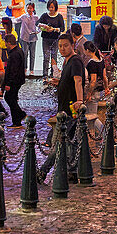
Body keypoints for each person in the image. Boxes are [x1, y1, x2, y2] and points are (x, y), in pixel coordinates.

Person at [39, 33, 85, 179]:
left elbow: (78, 81)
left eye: (66, 45)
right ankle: (72, 171)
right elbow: (70, 81)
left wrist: (80, 101)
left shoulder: (75, 61)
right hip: (64, 108)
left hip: (71, 109)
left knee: (58, 142)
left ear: (72, 45)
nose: (62, 48)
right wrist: (59, 83)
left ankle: (43, 171)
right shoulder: (68, 61)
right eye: (60, 46)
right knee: (70, 142)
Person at [83, 40, 109, 136]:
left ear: (87, 50)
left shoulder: (92, 63)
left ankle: (105, 134)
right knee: (91, 115)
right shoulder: (100, 60)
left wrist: (89, 94)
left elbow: (93, 81)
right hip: (100, 90)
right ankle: (97, 136)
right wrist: (106, 88)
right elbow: (104, 77)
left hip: (94, 92)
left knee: (92, 117)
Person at [2, 33, 26, 127]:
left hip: (15, 81)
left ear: (9, 43)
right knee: (12, 99)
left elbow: (13, 70)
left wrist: (9, 83)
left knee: (9, 98)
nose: (5, 45)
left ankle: (19, 116)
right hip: (18, 80)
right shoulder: (18, 51)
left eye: (6, 43)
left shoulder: (14, 54)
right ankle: (17, 119)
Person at [38, 0, 65, 78]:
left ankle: (53, 74)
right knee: (46, 57)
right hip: (46, 39)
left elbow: (62, 28)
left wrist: (54, 29)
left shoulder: (59, 16)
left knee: (54, 57)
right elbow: (38, 23)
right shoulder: (44, 15)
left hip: (55, 39)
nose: (51, 9)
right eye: (49, 7)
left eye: (52, 7)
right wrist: (43, 26)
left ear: (55, 7)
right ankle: (45, 74)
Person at [19, 2, 39, 75]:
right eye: (28, 8)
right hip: (24, 37)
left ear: (33, 9)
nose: (29, 9)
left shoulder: (36, 17)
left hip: (33, 37)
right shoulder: (23, 16)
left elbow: (40, 26)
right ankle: (24, 68)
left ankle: (31, 70)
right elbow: (16, 20)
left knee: (32, 54)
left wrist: (37, 31)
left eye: (31, 8)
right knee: (25, 53)